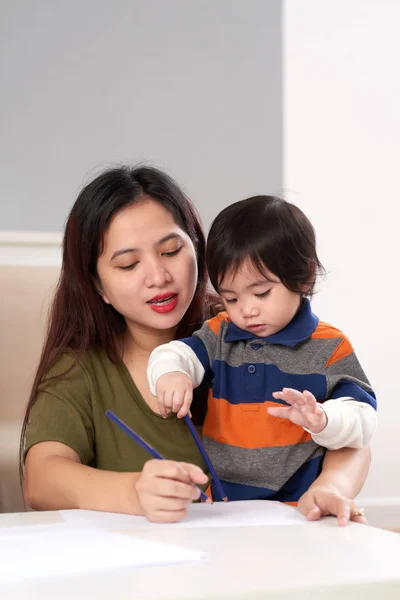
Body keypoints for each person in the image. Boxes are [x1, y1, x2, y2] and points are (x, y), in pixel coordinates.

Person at [22, 167, 370, 524]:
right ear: (98, 286)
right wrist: (134, 492)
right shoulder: (83, 369)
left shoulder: (246, 326)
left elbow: (350, 434)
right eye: (128, 265)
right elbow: (41, 478)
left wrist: (332, 485)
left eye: (171, 251)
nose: (158, 277)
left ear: (198, 249)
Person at [148, 195, 377, 503]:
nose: (246, 310)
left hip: (300, 507)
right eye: (231, 298)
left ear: (304, 276)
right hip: (225, 506)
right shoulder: (221, 334)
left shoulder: (329, 347)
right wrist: (172, 374)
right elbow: (175, 353)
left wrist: (325, 419)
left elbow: (363, 418)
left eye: (261, 293)